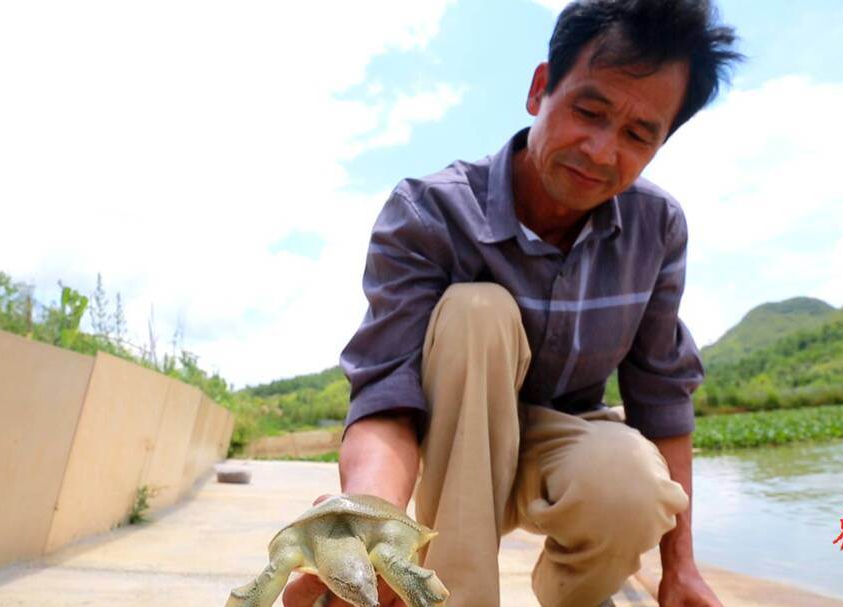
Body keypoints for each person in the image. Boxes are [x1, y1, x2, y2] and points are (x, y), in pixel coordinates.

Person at [285, 1, 742, 605]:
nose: (602, 152)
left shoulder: (656, 229)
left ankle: (573, 595)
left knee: (633, 486)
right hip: (452, 445)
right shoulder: (431, 213)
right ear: (540, 90)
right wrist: (369, 513)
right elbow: (386, 390)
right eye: (589, 111)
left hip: (563, 447)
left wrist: (680, 567)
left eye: (637, 134)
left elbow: (661, 396)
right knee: (478, 310)